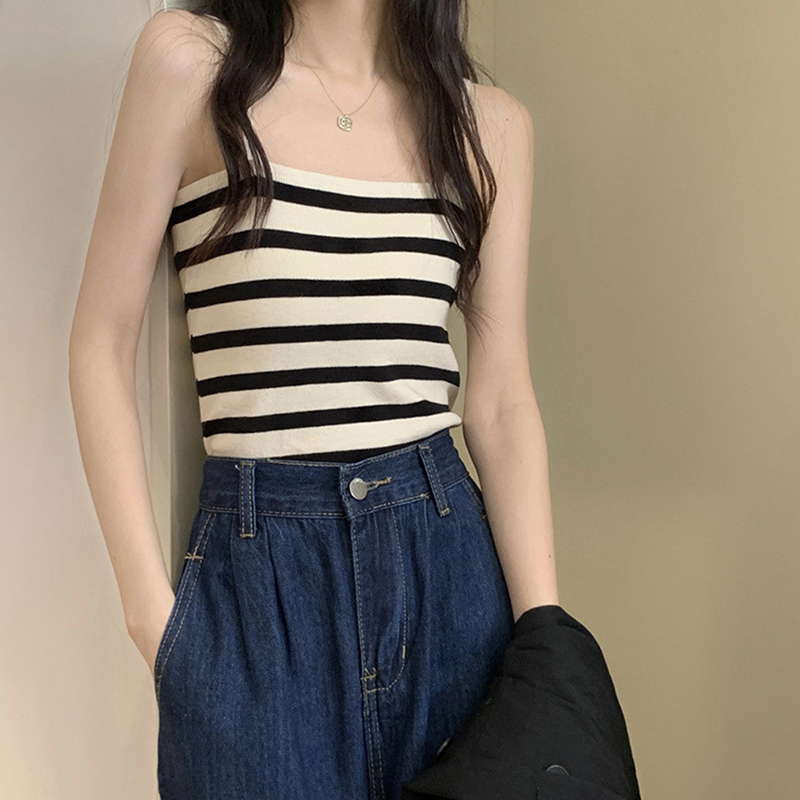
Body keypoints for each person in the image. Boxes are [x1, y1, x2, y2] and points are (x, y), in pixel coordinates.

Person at [68, 2, 557, 798]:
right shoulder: (194, 65)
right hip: (257, 587)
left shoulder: (487, 126)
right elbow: (100, 342)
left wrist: (545, 645)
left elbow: (501, 401)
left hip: (446, 574)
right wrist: (156, 626)